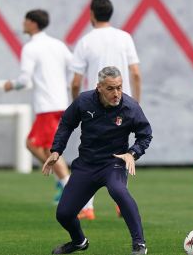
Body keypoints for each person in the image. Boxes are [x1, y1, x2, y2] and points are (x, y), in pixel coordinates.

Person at [42, 66, 152, 255]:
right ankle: (79, 242)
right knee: (64, 214)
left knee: (119, 191)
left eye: (119, 87)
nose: (116, 93)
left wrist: (132, 153)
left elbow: (145, 135)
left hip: (114, 163)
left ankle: (139, 244)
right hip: (86, 164)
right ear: (99, 87)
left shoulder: (130, 107)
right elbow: (67, 124)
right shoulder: (84, 101)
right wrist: (56, 150)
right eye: (110, 88)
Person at [70, 0, 141, 219]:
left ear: (91, 14)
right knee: (122, 149)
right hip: (122, 104)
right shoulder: (125, 37)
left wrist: (78, 106)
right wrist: (135, 103)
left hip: (96, 106)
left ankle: (87, 207)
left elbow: (75, 81)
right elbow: (136, 73)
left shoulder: (85, 41)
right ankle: (121, 200)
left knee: (88, 154)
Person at [4, 9, 71, 202]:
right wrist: (64, 85)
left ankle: (68, 184)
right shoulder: (57, 45)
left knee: (36, 145)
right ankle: (63, 179)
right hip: (60, 103)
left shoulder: (31, 48)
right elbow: (74, 67)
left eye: (26, 20)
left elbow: (24, 80)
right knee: (41, 146)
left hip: (47, 105)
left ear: (33, 23)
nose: (23, 23)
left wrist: (11, 85)